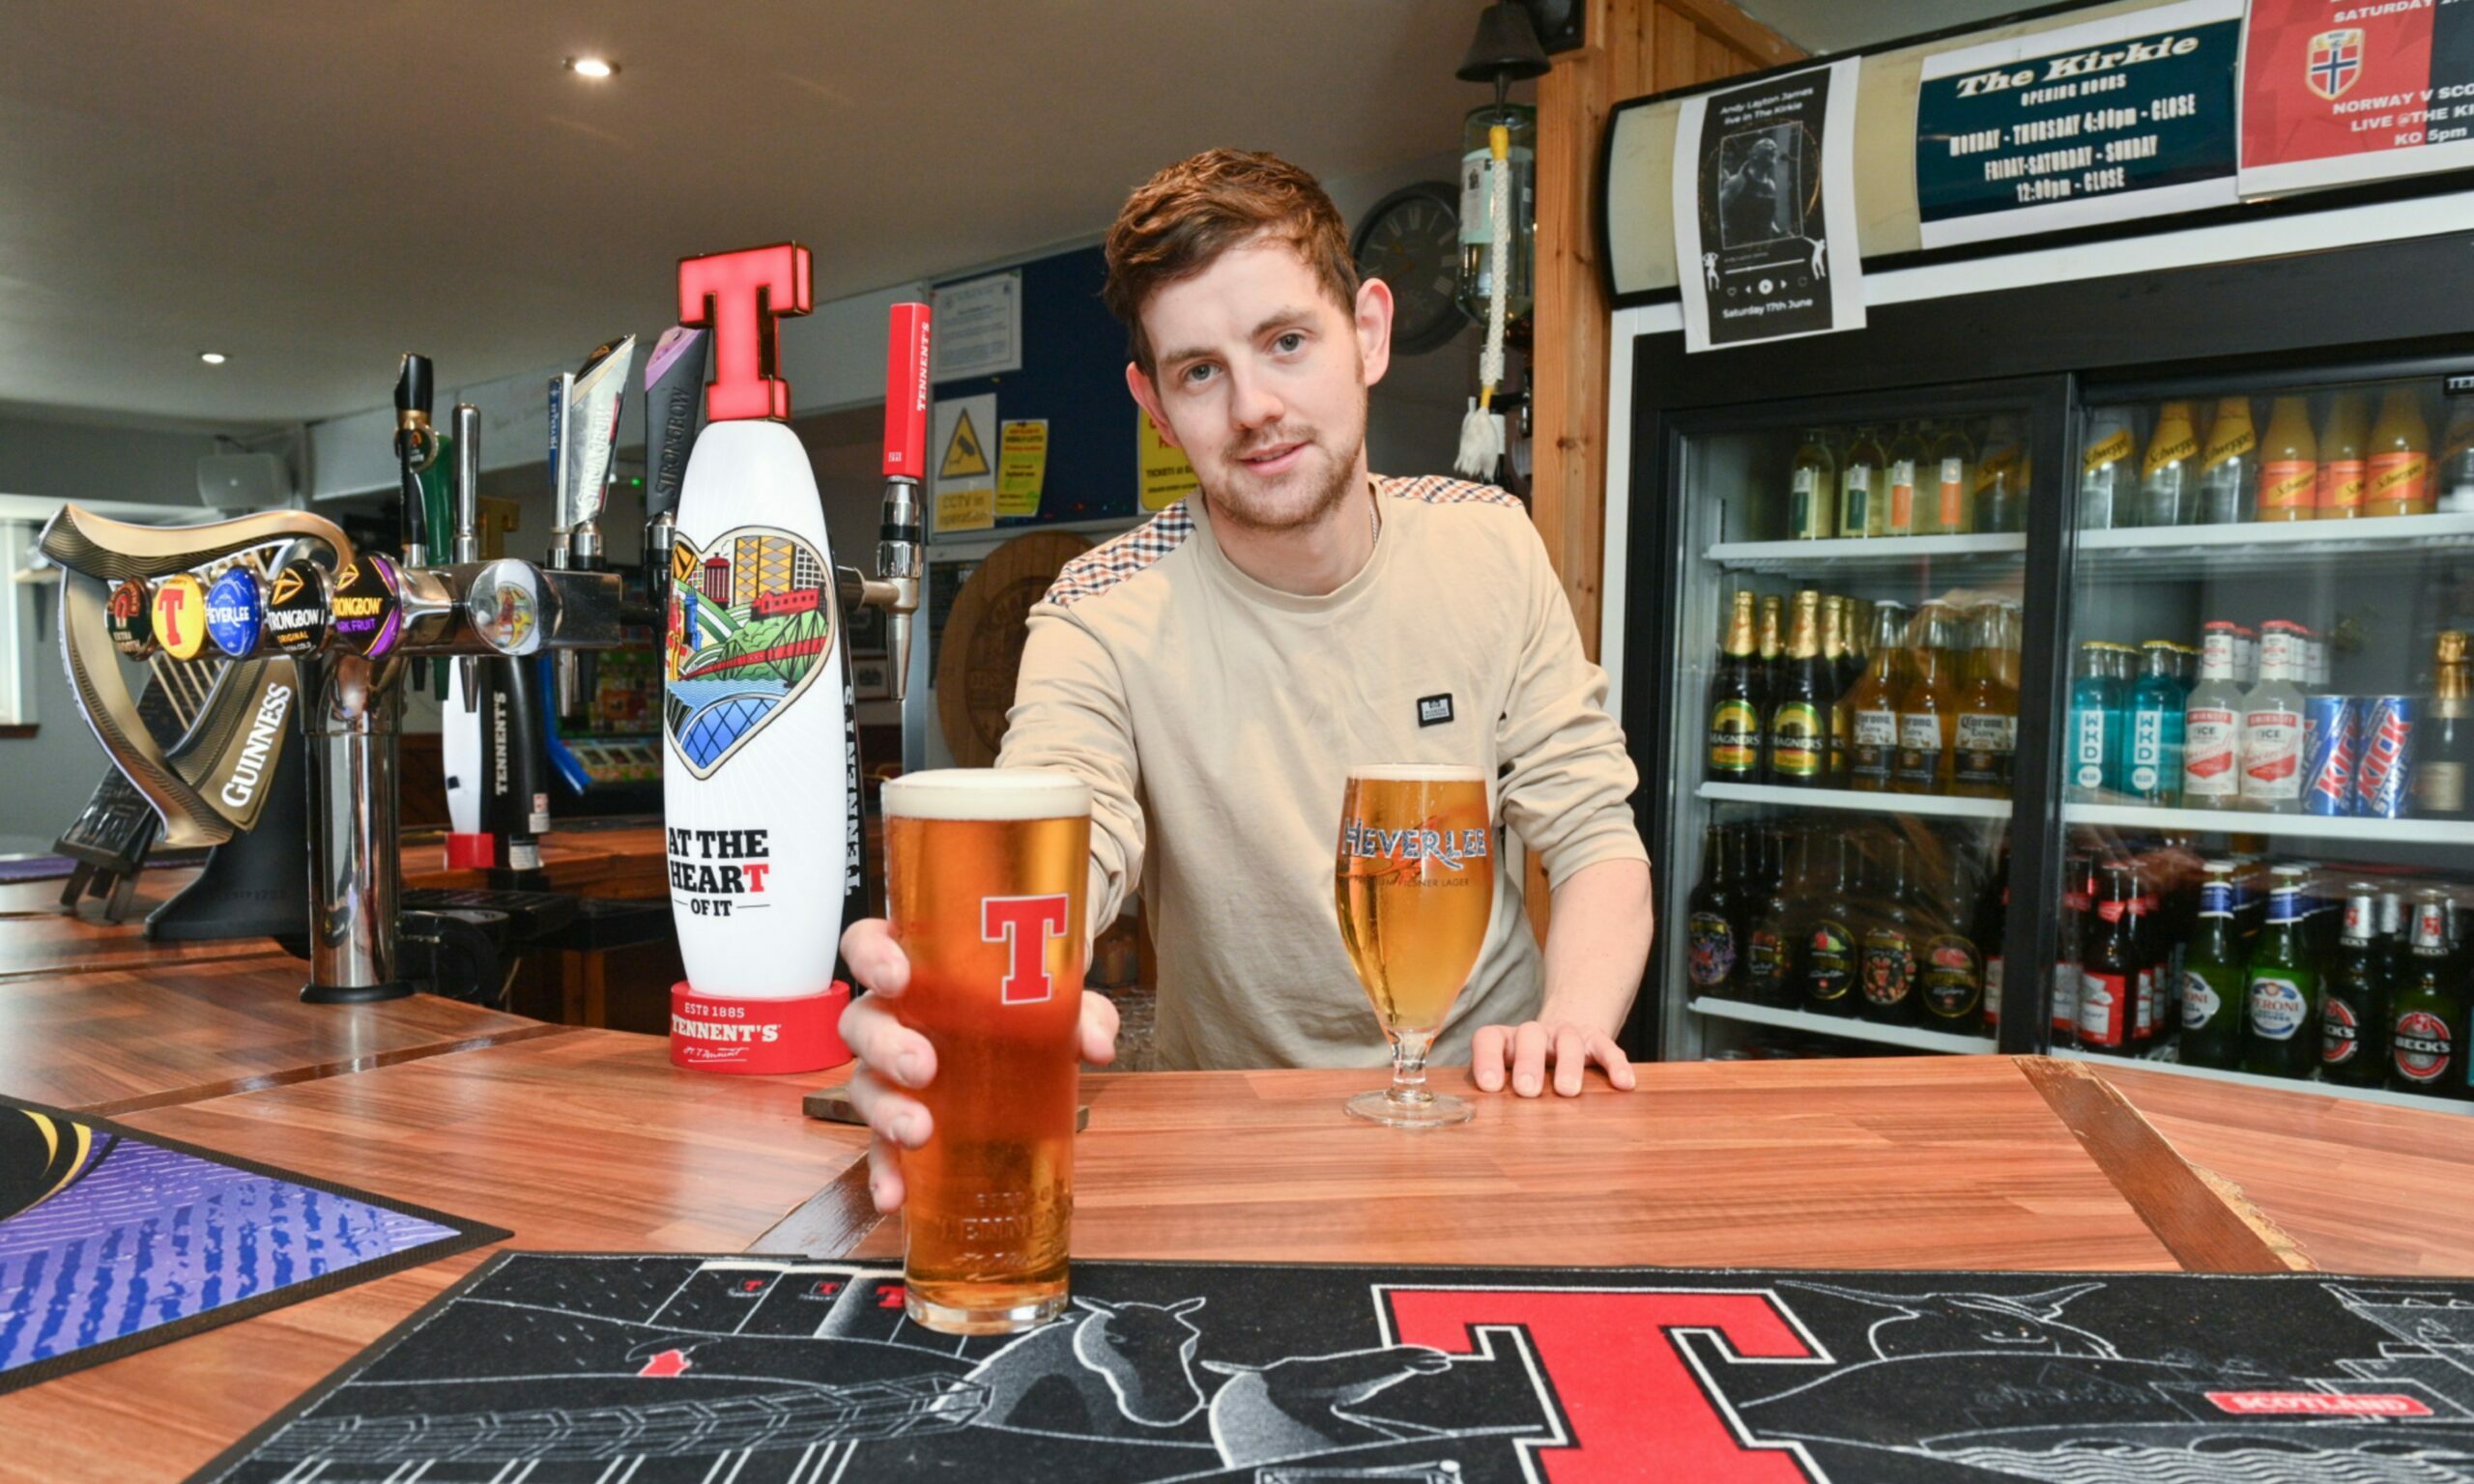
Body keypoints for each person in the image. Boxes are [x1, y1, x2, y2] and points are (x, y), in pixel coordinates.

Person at [840, 150, 1654, 1212]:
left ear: (1364, 332)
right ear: (1156, 405)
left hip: (1480, 1103)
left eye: (1284, 342)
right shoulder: (1095, 611)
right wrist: (947, 980)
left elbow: (1592, 835)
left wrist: (1572, 1025)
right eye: (1200, 371)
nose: (1255, 406)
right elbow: (1069, 834)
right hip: (1226, 1131)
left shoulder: (1490, 543)